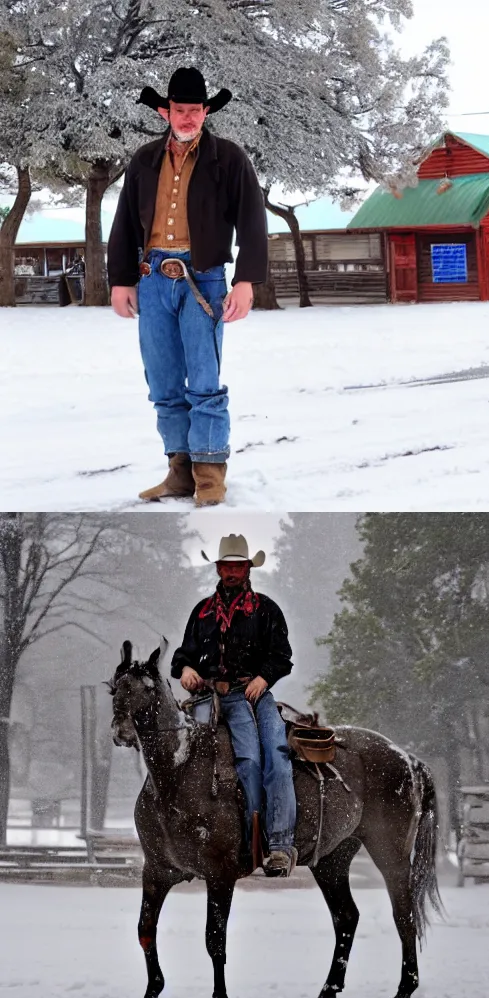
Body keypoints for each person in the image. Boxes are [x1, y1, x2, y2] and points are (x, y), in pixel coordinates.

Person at [107, 67, 268, 507]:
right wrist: (121, 280)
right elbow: (123, 225)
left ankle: (210, 476)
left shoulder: (229, 159)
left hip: (205, 279)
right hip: (152, 278)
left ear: (205, 112)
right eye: (180, 110)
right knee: (162, 382)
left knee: (204, 380)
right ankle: (179, 473)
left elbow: (253, 222)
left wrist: (247, 281)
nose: (188, 118)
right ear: (166, 112)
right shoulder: (142, 161)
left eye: (196, 110)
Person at [171, 534, 297, 876]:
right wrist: (186, 670)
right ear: (218, 568)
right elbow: (183, 655)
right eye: (226, 566)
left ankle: (279, 845)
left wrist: (263, 678)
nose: (231, 572)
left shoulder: (266, 610)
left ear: (247, 569)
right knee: (180, 760)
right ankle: (177, 840)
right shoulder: (202, 612)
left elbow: (281, 657)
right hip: (208, 697)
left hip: (253, 694)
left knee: (275, 759)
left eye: (237, 566)